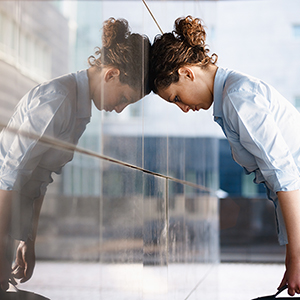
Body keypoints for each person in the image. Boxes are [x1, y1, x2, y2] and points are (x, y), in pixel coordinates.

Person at [150, 15, 300, 296]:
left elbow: (286, 178)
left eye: (176, 97)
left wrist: (296, 259)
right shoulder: (234, 93)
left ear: (187, 73)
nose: (182, 108)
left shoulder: (237, 98)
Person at [0, 17, 150, 291]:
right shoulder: (59, 99)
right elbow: (9, 177)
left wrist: (27, 240)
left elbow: (39, 178)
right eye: (125, 98)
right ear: (111, 74)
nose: (120, 108)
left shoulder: (79, 109)